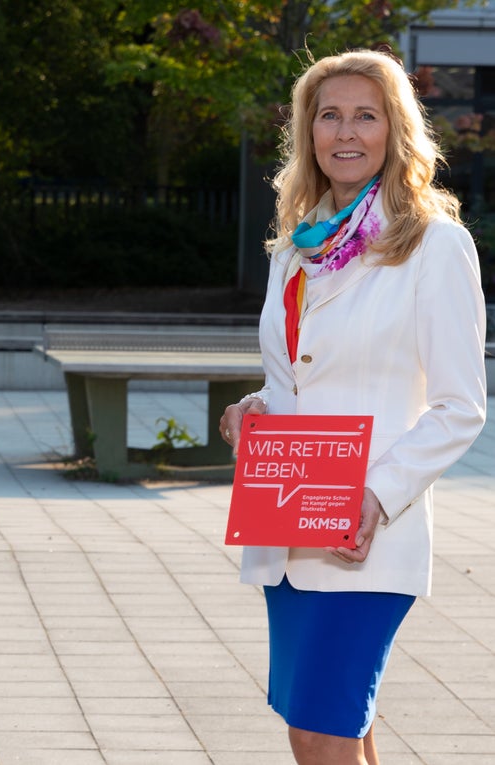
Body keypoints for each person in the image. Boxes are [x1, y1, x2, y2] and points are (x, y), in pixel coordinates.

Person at [218, 49, 486, 765]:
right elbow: (299, 376)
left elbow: (462, 406)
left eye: (365, 115)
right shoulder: (297, 247)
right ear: (307, 133)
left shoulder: (434, 245)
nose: (345, 132)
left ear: (396, 132)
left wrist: (378, 494)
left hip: (365, 529)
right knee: (341, 724)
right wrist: (255, 407)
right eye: (328, 115)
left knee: (318, 731)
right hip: (289, 521)